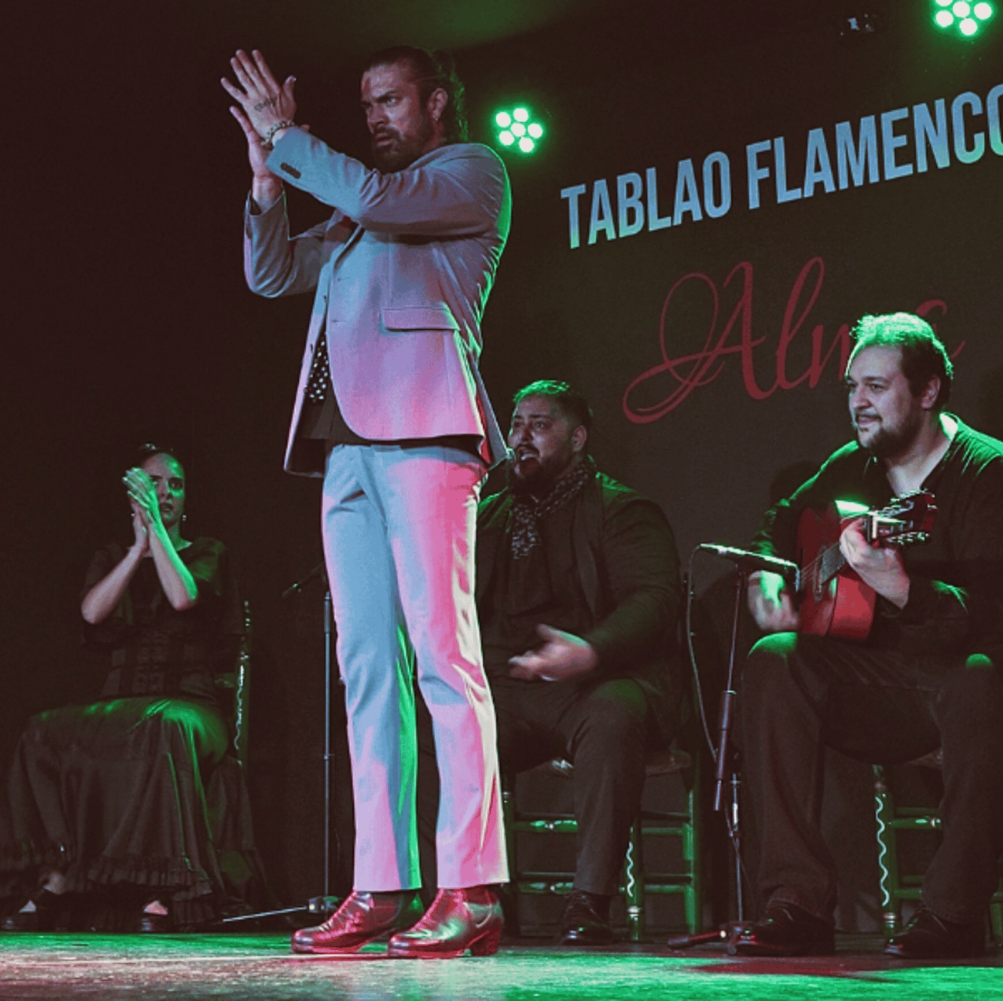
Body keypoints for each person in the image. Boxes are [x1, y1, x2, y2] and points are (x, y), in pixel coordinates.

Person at [224, 45, 511, 959]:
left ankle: (469, 884)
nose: (376, 116)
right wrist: (269, 183)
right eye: (366, 104)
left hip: (427, 432)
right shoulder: (354, 213)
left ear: (435, 103)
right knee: (366, 673)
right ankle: (381, 882)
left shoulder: (466, 174)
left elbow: (378, 200)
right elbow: (272, 276)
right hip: (345, 451)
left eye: (390, 100)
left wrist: (290, 136)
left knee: (442, 658)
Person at [735, 313, 1003, 958]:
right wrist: (765, 573)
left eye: (876, 387)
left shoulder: (988, 474)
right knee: (777, 660)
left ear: (927, 392)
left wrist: (904, 590)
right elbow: (780, 524)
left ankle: (952, 915)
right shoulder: (854, 467)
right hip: (905, 687)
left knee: (979, 677)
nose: (858, 404)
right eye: (851, 388)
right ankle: (798, 903)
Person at [0, 444, 256, 932]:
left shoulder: (207, 551)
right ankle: (58, 877)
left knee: (162, 726)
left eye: (175, 485)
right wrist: (137, 549)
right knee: (43, 730)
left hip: (191, 703)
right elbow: (92, 613)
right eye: (154, 482)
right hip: (122, 701)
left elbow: (182, 596)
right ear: (134, 496)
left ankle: (160, 887)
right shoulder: (112, 556)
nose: (166, 492)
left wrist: (159, 535)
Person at [470, 381, 682, 944]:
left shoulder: (621, 509)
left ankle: (589, 899)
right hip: (508, 689)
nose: (521, 438)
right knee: (437, 721)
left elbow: (654, 600)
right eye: (516, 426)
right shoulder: (486, 517)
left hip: (592, 684)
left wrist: (589, 651)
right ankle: (475, 892)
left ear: (579, 438)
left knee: (614, 715)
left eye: (539, 426)